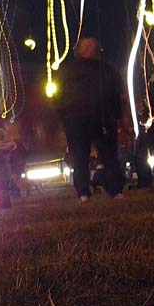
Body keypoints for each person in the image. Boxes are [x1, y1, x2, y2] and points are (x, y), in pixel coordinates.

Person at [55, 37, 125, 201]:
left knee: (109, 155)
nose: (91, 49)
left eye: (93, 46)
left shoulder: (106, 69)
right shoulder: (69, 71)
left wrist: (116, 114)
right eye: (87, 46)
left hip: (102, 118)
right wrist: (65, 117)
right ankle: (83, 192)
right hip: (77, 121)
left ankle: (115, 189)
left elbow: (117, 93)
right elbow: (59, 96)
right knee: (80, 156)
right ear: (80, 50)